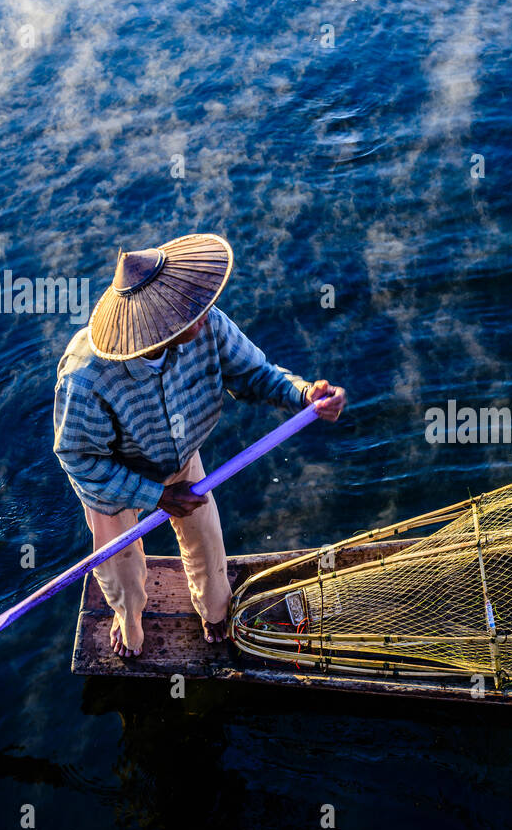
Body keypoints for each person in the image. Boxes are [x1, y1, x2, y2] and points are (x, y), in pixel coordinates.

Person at [52, 233, 345, 657]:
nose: (204, 312)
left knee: (206, 539)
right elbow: (79, 460)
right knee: (120, 567)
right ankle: (129, 621)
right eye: (188, 311)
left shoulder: (207, 323)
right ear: (159, 330)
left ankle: (214, 611)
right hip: (112, 478)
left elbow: (257, 375)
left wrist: (304, 396)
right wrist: (154, 495)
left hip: (179, 455)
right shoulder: (85, 378)